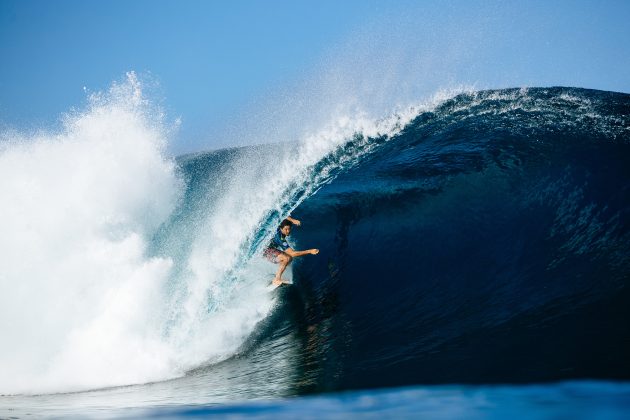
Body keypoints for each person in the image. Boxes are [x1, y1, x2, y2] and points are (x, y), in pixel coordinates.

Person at [263, 216, 319, 286]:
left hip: (269, 250)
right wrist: (309, 251)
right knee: (287, 258)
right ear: (281, 229)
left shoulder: (279, 227)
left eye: (289, 229)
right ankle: (277, 278)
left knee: (289, 258)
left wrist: (293, 220)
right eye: (286, 229)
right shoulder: (280, 238)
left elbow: (283, 215)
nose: (288, 231)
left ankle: (277, 276)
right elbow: (292, 253)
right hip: (266, 251)